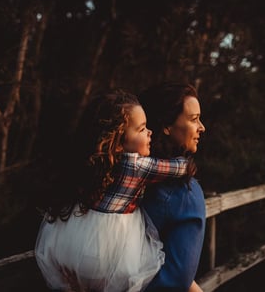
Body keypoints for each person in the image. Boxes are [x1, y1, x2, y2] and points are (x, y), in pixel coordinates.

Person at [34, 89, 191, 292]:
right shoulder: (136, 166)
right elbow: (181, 167)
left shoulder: (91, 164)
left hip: (71, 242)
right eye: (142, 129)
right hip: (110, 253)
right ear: (118, 142)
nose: (149, 132)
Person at [139, 83, 206, 292]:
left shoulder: (122, 174)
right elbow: (177, 281)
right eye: (194, 119)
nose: (202, 127)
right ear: (167, 126)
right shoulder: (185, 191)